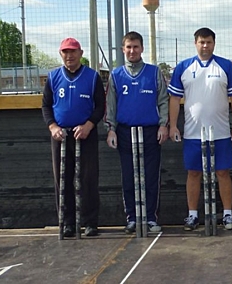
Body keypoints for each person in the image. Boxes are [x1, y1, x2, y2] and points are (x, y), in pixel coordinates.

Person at [168, 27, 232, 231]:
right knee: (194, 173)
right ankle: (192, 215)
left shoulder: (226, 66)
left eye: (208, 42)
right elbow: (174, 99)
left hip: (220, 132)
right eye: (201, 42)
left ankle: (227, 214)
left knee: (222, 172)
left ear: (214, 43)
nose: (205, 45)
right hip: (193, 132)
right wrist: (173, 125)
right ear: (195, 43)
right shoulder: (183, 67)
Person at [105, 31, 169, 234]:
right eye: (128, 47)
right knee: (129, 177)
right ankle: (132, 217)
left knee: (150, 176)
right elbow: (111, 106)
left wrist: (163, 125)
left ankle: (150, 218)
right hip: (125, 132)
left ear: (142, 49)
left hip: (150, 131)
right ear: (123, 49)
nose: (132, 51)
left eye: (136, 47)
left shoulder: (153, 72)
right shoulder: (116, 75)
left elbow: (163, 100)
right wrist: (111, 130)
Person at [42, 37, 105, 237]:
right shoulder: (52, 77)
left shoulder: (92, 77)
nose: (69, 56)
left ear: (80, 53)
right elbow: (46, 106)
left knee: (88, 178)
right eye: (65, 52)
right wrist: (52, 126)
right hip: (60, 135)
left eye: (73, 51)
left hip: (85, 134)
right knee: (63, 179)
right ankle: (67, 222)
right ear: (61, 54)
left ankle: (90, 222)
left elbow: (100, 106)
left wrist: (89, 125)